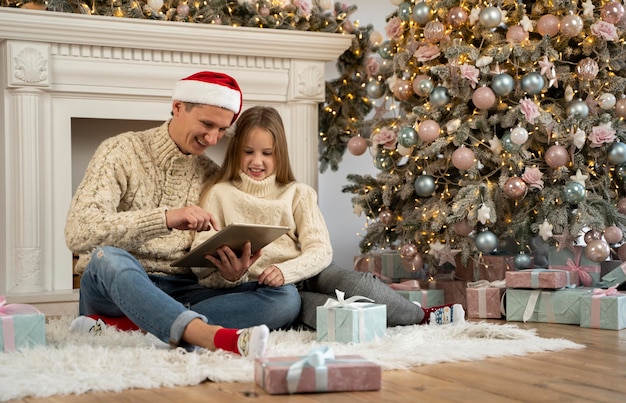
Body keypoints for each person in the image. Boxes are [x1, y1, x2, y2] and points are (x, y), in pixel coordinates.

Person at [64, 72, 302, 358]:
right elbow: (79, 232)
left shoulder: (213, 176)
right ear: (178, 107)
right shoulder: (120, 151)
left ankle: (136, 326)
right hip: (116, 287)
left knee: (286, 298)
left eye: (222, 130)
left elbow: (206, 274)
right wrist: (165, 218)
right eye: (206, 124)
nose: (213, 138)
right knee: (108, 258)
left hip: (182, 290)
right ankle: (210, 336)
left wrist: (230, 275)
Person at [192, 105, 465, 329]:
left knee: (354, 283)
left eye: (267, 153)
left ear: (280, 154)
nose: (257, 162)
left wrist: (287, 271)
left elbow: (321, 250)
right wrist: (231, 276)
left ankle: (422, 316)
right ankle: (393, 318)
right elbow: (200, 260)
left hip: (307, 272)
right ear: (235, 150)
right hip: (263, 288)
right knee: (331, 312)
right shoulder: (219, 194)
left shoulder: (298, 193)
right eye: (248, 152)